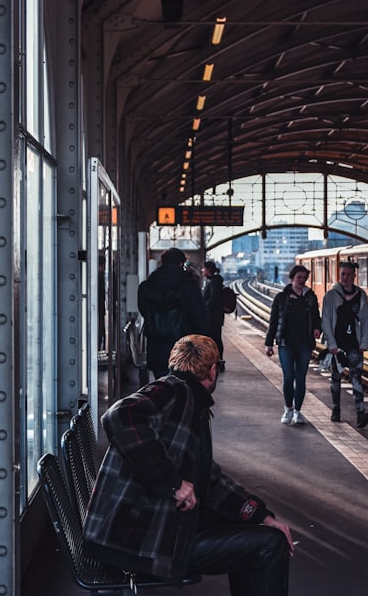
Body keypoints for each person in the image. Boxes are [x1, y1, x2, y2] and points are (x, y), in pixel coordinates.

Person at [83, 334, 293, 595]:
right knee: (269, 544)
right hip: (140, 543)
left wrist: (259, 514)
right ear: (213, 370)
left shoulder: (187, 399)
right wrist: (171, 483)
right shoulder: (177, 392)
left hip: (131, 535)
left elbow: (210, 480)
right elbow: (119, 414)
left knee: (253, 532)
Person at [137, 248, 208, 385]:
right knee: (182, 386)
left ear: (161, 263)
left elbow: (144, 311)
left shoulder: (146, 286)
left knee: (162, 385)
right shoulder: (190, 287)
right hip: (184, 347)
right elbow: (199, 317)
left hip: (156, 345)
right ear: (181, 264)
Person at [264, 265, 321, 426]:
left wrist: (317, 328)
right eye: (299, 278)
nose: (302, 281)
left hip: (305, 343)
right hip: (285, 343)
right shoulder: (281, 297)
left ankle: (298, 411)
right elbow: (273, 321)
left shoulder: (310, 297)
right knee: (288, 377)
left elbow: (316, 316)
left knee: (300, 378)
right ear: (292, 278)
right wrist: (269, 343)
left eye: (304, 278)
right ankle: (288, 408)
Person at [320, 261, 368, 427]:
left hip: (354, 345)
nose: (346, 278)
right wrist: (332, 344)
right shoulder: (330, 296)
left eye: (349, 274)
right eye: (343, 274)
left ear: (354, 276)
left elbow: (365, 321)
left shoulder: (361, 296)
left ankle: (360, 413)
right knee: (335, 377)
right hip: (337, 346)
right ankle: (336, 409)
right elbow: (326, 321)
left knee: (356, 377)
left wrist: (364, 342)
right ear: (339, 275)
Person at [200, 260, 226, 371]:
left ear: (208, 270)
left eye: (203, 268)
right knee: (215, 339)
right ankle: (217, 362)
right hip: (214, 316)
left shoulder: (215, 282)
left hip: (213, 316)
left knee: (215, 339)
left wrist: (204, 307)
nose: (202, 270)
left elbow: (214, 298)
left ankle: (218, 362)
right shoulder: (213, 281)